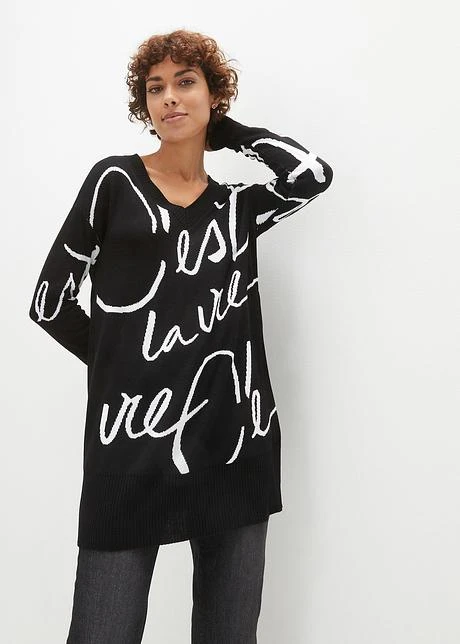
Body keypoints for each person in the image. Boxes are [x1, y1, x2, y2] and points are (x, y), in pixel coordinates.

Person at [29, 29, 333, 643]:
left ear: (214, 95)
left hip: (234, 443)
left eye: (185, 82)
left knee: (229, 634)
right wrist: (128, 369)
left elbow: (312, 176)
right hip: (131, 447)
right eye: (155, 87)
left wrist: (230, 132)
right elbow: (49, 303)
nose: (168, 97)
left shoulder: (236, 209)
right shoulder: (114, 183)